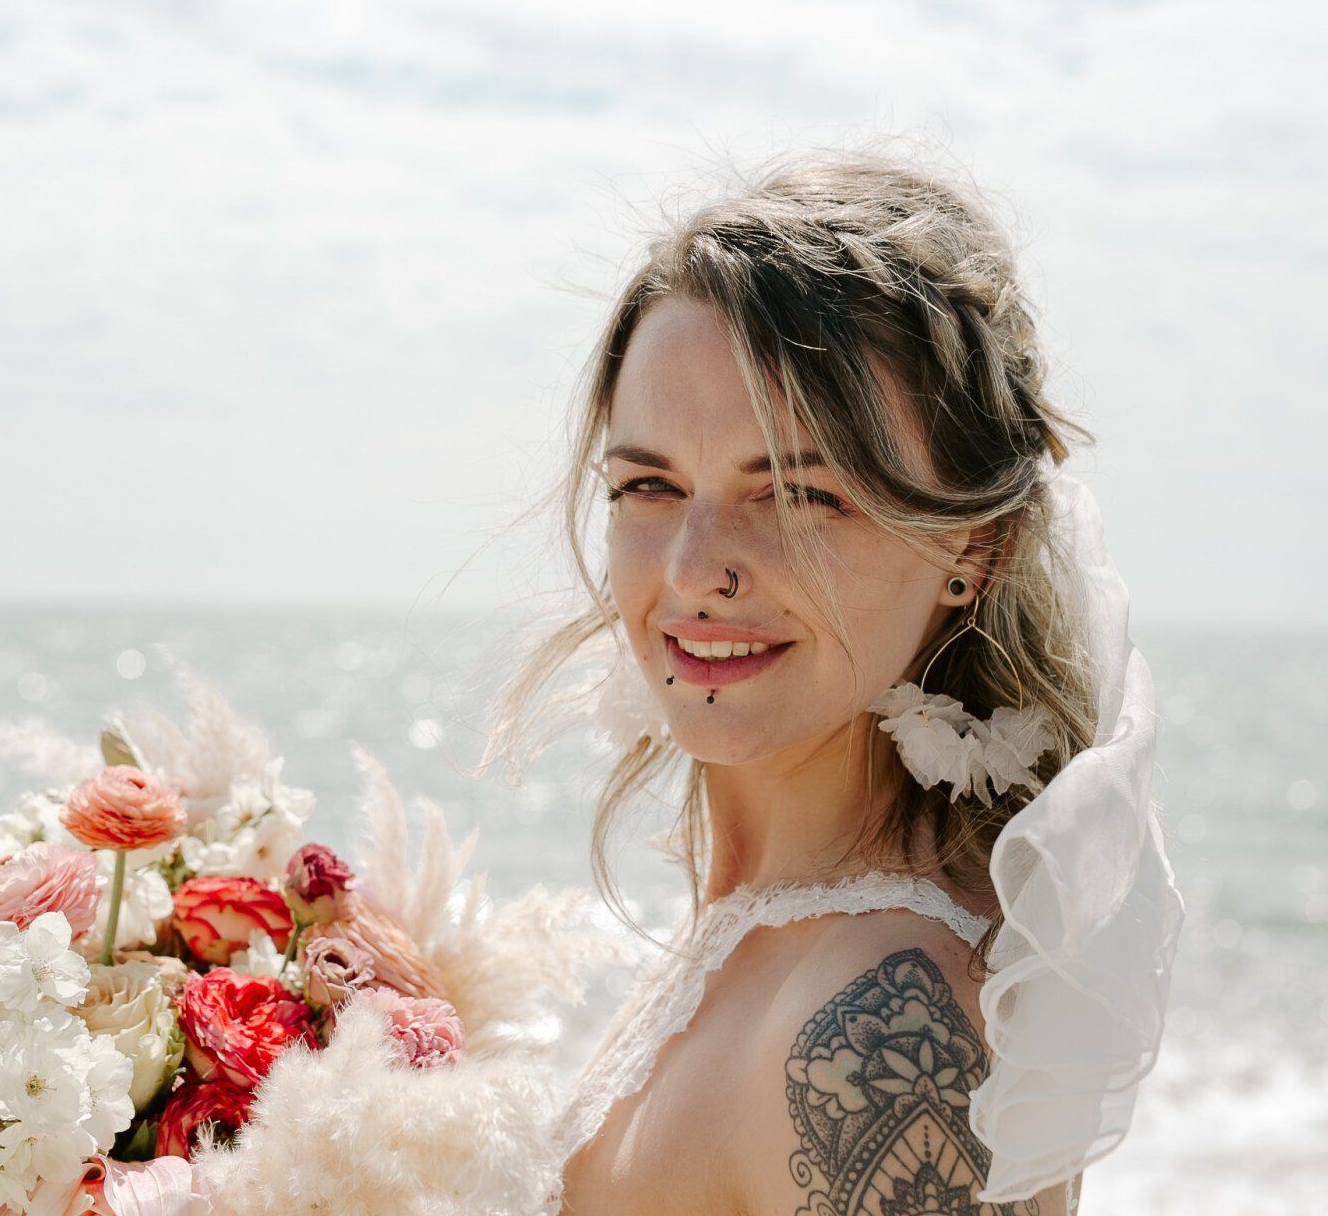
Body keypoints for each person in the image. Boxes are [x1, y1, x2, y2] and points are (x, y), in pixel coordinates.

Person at [480, 145, 1182, 1216]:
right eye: (650, 486)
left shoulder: (878, 1027)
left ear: (971, 551)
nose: (693, 571)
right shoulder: (763, 937)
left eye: (799, 494)